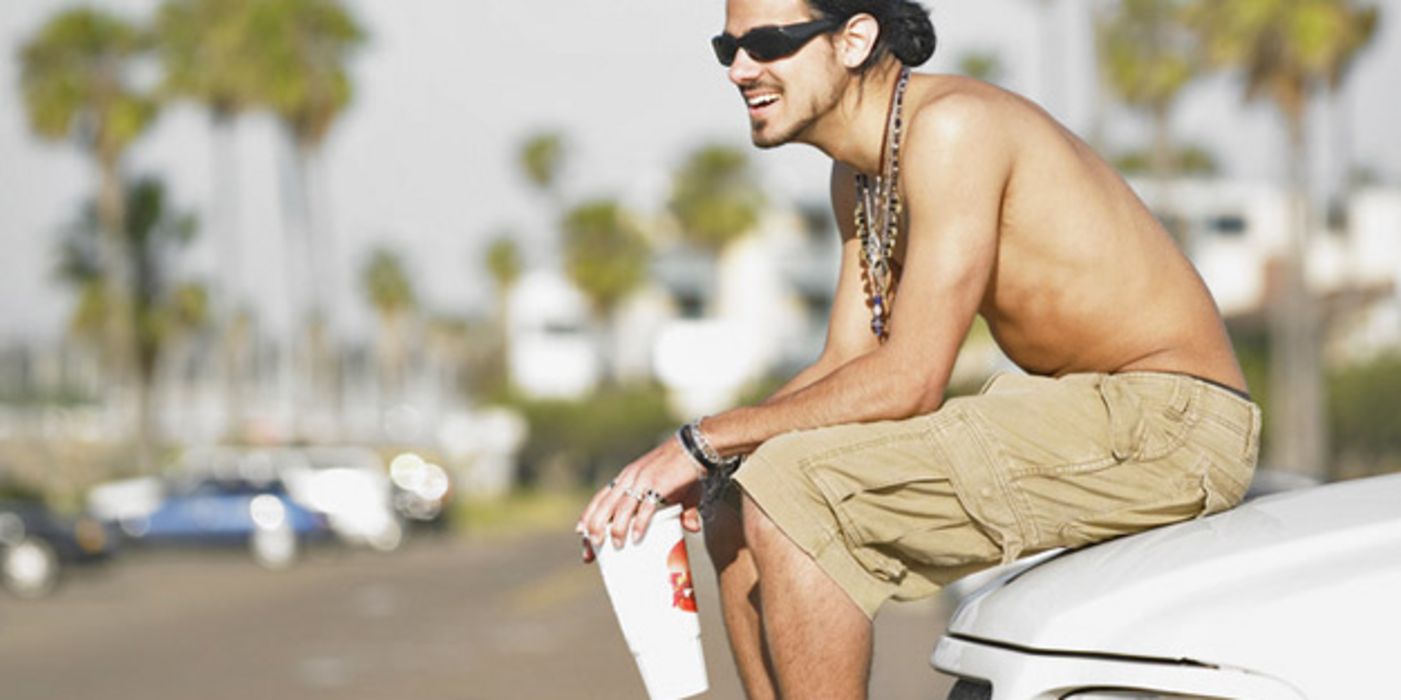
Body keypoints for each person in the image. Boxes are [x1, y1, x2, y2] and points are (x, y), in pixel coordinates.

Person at [579, 0, 1262, 697]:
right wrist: (709, 457)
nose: (740, 69)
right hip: (1083, 410)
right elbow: (847, 361)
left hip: (1172, 423)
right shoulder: (858, 175)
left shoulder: (950, 129)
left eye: (767, 43)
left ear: (853, 40)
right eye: (727, 50)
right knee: (733, 498)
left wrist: (702, 441)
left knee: (792, 489)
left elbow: (910, 379)